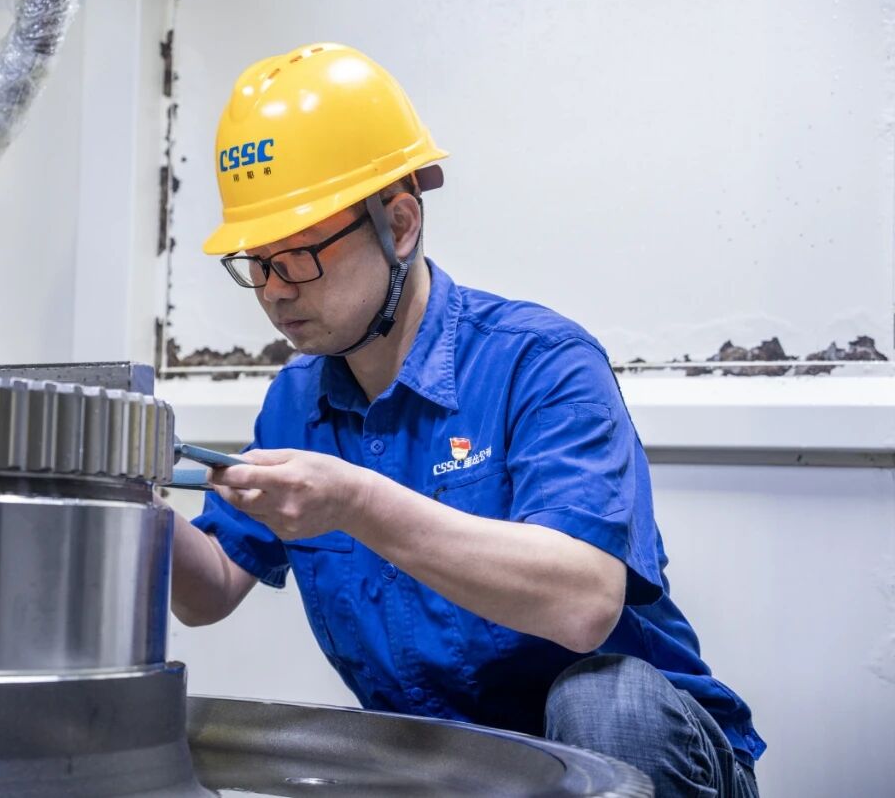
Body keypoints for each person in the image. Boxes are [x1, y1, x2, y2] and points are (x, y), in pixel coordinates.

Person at [169, 43, 763, 798]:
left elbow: (582, 601)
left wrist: (356, 501)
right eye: (256, 262)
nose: (275, 290)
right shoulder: (296, 402)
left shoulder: (540, 362)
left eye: (299, 255)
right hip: (458, 773)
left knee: (604, 704)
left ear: (400, 224)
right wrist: (121, 498)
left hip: (637, 764)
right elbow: (208, 591)